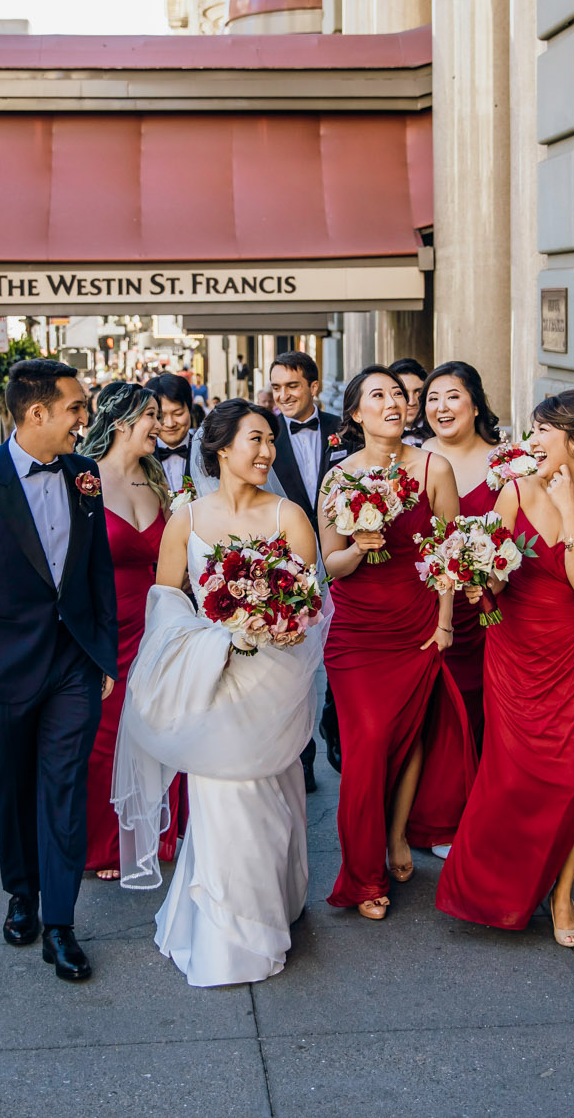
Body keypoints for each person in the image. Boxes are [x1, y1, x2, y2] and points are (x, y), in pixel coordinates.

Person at [115, 399, 323, 987]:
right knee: (225, 803)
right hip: (214, 681)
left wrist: (271, 622)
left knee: (271, 801)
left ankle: (275, 901)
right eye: (255, 440)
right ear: (221, 448)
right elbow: (166, 603)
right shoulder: (186, 517)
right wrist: (218, 638)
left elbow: (310, 610)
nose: (266, 452)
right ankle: (234, 935)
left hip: (273, 684)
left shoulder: (290, 519)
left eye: (271, 442)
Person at [0, 358, 116, 983]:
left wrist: (104, 656)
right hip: (1, 668)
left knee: (66, 788)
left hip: (74, 665)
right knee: (10, 787)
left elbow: (97, 573)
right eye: (75, 409)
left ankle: (60, 924)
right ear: (36, 413)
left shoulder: (85, 475)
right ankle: (22, 892)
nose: (83, 420)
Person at [436, 389, 574, 944]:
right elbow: (495, 572)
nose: (531, 440)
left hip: (573, 657)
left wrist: (571, 514)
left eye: (544, 430)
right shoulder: (514, 491)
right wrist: (478, 575)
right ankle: (501, 884)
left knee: (572, 781)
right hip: (514, 651)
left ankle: (564, 894)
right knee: (512, 776)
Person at [318, 366, 471, 919]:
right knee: (368, 746)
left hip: (418, 622)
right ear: (356, 413)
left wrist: (446, 619)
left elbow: (449, 553)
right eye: (376, 395)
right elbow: (330, 567)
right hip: (359, 634)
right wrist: (359, 545)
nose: (392, 402)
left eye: (398, 395)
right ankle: (362, 874)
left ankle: (399, 835)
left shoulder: (435, 467)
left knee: (411, 738)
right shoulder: (338, 479)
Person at [77, 382, 183, 879]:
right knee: (106, 736)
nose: (161, 426)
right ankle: (106, 843)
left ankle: (157, 833)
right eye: (151, 417)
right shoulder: (85, 480)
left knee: (160, 726)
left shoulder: (156, 476)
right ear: (121, 422)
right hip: (107, 624)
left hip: (159, 621)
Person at [418, 361, 505, 762]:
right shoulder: (413, 461)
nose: (441, 407)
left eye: (453, 396)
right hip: (430, 613)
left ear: (475, 406)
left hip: (494, 614)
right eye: (432, 398)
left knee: (492, 714)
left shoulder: (505, 465)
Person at [268, 350, 343, 787]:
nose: (283, 396)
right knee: (295, 660)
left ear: (313, 387)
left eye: (292, 386)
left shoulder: (343, 430)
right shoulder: (266, 435)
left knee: (340, 654)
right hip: (289, 564)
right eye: (277, 388)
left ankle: (335, 732)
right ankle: (303, 757)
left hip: (344, 560)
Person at [147, 372, 199, 494]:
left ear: (189, 409)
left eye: (178, 413)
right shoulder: (140, 458)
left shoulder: (207, 452)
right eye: (160, 416)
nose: (170, 424)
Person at [387, 358, 428, 445]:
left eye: (418, 392)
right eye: (402, 393)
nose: (411, 402)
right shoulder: (373, 437)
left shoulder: (443, 431)